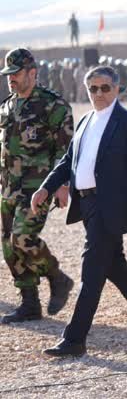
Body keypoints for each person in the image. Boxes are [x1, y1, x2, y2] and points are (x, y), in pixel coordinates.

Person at [32, 66, 127, 357]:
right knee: (115, 268)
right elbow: (68, 161)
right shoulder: (85, 121)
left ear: (116, 89)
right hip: (89, 205)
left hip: (113, 207)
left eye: (105, 88)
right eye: (93, 88)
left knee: (92, 271)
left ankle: (74, 339)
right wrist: (46, 188)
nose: (99, 94)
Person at [0, 48, 75, 324]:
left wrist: (62, 184)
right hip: (8, 188)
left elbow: (66, 150)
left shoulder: (53, 106)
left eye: (16, 74)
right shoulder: (7, 106)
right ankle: (29, 303)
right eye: (8, 75)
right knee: (10, 247)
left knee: (23, 238)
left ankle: (57, 276)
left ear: (33, 72)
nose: (11, 79)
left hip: (37, 187)